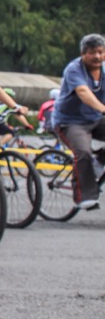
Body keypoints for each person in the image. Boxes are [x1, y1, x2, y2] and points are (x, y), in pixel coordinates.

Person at [53, 33, 105, 210]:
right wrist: (103, 108)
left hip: (96, 119)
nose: (97, 56)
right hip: (71, 122)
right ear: (83, 53)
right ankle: (84, 197)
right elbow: (83, 92)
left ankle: (100, 161)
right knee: (83, 152)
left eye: (100, 52)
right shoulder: (74, 69)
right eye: (92, 52)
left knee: (92, 157)